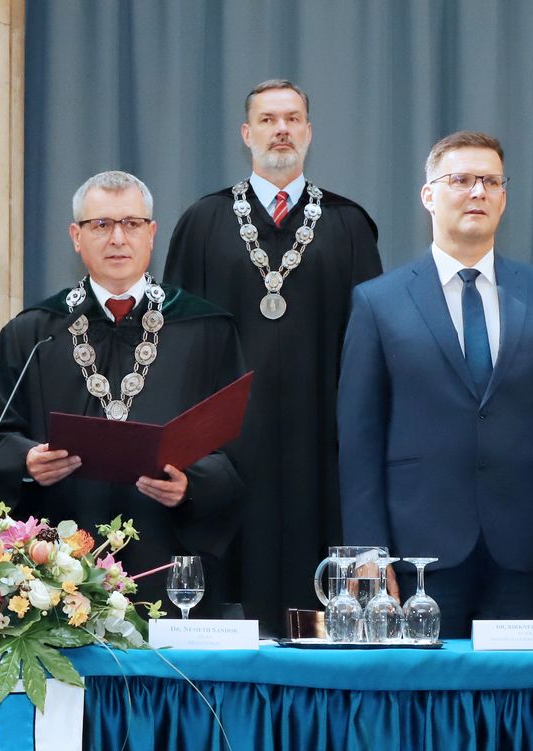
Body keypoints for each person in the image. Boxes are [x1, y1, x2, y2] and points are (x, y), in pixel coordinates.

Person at [338, 131, 533, 637]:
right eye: (460, 179)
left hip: (524, 550)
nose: (477, 191)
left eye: (490, 181)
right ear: (428, 195)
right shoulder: (378, 302)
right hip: (417, 554)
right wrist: (368, 552)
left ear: (503, 197)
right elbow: (359, 438)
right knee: (426, 688)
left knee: (514, 690)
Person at [0, 171, 245, 616]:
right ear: (76, 237)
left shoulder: (205, 330)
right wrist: (28, 461)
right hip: (57, 565)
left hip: (167, 555)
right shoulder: (35, 331)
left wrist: (193, 485)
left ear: (152, 233)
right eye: (101, 224)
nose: (117, 238)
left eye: (131, 223)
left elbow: (239, 443)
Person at [162, 79, 383, 629]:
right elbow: (174, 346)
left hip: (322, 447)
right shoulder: (203, 222)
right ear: (246, 133)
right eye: (267, 119)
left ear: (309, 131)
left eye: (291, 119)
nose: (280, 129)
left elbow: (373, 349)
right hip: (227, 452)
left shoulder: (349, 224)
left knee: (321, 612)